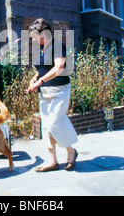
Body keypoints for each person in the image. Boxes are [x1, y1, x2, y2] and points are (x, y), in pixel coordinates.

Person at [27, 18, 78, 172]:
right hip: (45, 93)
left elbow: (58, 68)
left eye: (34, 35)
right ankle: (52, 161)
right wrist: (35, 77)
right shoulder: (41, 48)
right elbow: (42, 68)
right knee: (46, 127)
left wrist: (40, 80)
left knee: (54, 123)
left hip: (59, 91)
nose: (33, 38)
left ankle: (71, 151)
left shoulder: (57, 45)